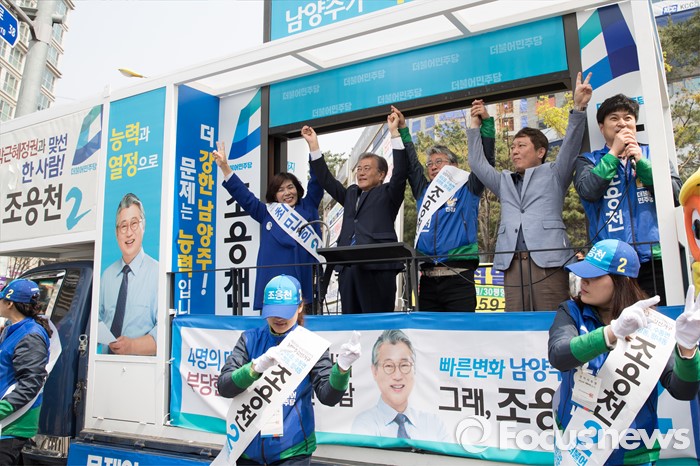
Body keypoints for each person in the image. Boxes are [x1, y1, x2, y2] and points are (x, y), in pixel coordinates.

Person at [548, 239, 700, 465]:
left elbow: (683, 390)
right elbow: (559, 355)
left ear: (622, 281)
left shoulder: (653, 325)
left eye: (595, 276)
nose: (584, 281)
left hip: (633, 451)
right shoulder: (571, 311)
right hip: (577, 446)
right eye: (583, 273)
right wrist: (611, 333)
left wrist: (687, 348)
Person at [467, 72, 592, 311]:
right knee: (517, 325)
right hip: (512, 264)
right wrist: (475, 125)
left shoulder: (555, 173)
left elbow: (571, 145)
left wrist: (578, 107)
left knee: (552, 320)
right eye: (513, 147)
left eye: (521, 146)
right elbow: (477, 163)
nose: (514, 151)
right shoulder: (504, 181)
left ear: (541, 152)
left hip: (549, 261)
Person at [218, 275, 361, 465]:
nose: (279, 318)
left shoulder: (310, 345)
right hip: (246, 450)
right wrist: (253, 369)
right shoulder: (249, 339)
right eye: (273, 312)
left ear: (300, 307)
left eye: (285, 312)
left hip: (292, 452)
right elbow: (224, 387)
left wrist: (342, 369)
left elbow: (328, 396)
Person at [574, 94, 682, 306]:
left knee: (661, 318)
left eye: (628, 118)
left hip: (656, 259)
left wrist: (642, 163)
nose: (622, 123)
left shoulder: (654, 154)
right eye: (614, 118)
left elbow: (676, 195)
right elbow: (588, 191)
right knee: (618, 321)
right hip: (611, 263)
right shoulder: (588, 160)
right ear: (602, 127)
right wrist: (614, 153)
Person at [393, 105, 495, 312]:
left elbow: (485, 161)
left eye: (439, 161)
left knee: (461, 331)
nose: (432, 166)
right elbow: (412, 165)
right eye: (430, 163)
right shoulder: (424, 191)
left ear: (454, 165)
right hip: (427, 280)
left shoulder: (468, 187)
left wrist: (486, 124)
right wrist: (402, 129)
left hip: (459, 278)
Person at [304, 110, 408, 314]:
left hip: (377, 268)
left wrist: (395, 133)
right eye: (359, 168)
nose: (361, 172)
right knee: (350, 324)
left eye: (367, 168)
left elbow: (401, 172)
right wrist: (313, 145)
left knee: (376, 324)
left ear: (381, 174)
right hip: (348, 267)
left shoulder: (389, 193)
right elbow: (327, 180)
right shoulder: (351, 193)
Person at [213, 142, 323, 313]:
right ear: (274, 195)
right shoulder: (266, 212)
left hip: (302, 283)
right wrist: (224, 167)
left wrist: (313, 145)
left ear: (297, 189)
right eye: (281, 190)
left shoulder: (308, 207)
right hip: (273, 286)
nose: (287, 193)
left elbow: (317, 181)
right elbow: (244, 196)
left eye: (290, 187)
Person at [352, 329, 449, 442]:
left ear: (414, 369)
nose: (397, 376)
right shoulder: (364, 424)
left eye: (404, 365)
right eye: (388, 366)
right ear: (375, 371)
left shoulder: (434, 424)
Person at [99, 192, 158, 355]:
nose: (129, 232)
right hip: (105, 364)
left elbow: (166, 333)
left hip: (139, 367)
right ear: (116, 233)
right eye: (123, 226)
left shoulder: (158, 274)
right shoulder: (107, 276)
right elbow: (96, 321)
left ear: (143, 226)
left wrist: (132, 346)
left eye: (134, 224)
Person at [0, 279, 52, 464]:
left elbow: (30, 383)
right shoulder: (13, 329)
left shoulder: (30, 335)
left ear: (9, 303)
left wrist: (2, 409)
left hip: (11, 426)